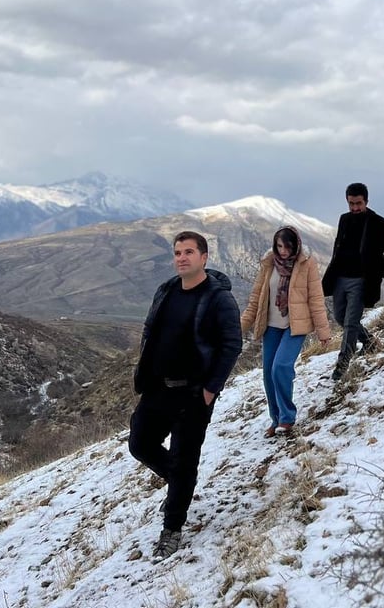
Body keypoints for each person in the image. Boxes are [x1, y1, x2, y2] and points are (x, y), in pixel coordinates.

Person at [129, 231, 242, 560]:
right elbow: (151, 333)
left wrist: (210, 390)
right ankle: (180, 484)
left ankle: (172, 527)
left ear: (204, 257)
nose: (182, 257)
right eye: (177, 252)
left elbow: (232, 345)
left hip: (193, 395)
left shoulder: (218, 298)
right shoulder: (166, 290)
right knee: (140, 443)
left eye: (189, 252)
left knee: (184, 459)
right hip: (157, 388)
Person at [240, 226, 331, 438]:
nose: (283, 251)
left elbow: (316, 299)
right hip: (270, 326)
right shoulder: (269, 263)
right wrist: (238, 329)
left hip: (295, 326)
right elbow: (256, 299)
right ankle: (276, 419)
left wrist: (323, 331)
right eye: (279, 246)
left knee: (280, 367)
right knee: (268, 374)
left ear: (295, 245)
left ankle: (287, 418)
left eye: (287, 246)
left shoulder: (307, 263)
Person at [321, 183, 384, 381]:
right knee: (340, 317)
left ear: (366, 201)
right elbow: (338, 247)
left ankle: (343, 362)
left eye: (358, 203)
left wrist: (380, 272)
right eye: (351, 203)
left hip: (361, 280)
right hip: (340, 278)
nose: (355, 207)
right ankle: (369, 342)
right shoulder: (344, 219)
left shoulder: (379, 223)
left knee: (350, 322)